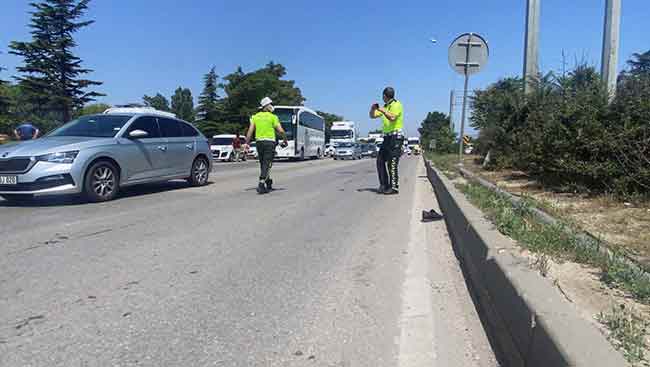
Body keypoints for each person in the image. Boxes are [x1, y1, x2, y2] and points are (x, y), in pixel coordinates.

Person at [245, 97, 288, 194]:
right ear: (266, 106)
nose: (271, 106)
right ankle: (261, 183)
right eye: (270, 104)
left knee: (263, 163)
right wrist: (285, 140)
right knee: (267, 163)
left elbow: (250, 131)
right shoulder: (273, 117)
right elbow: (281, 131)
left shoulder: (255, 117)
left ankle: (268, 181)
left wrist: (246, 143)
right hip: (270, 143)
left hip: (259, 142)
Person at [369, 87, 404, 195]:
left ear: (384, 96)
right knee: (380, 160)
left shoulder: (396, 104)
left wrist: (382, 110)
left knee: (391, 163)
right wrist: (373, 109)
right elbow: (372, 116)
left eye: (382, 96)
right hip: (387, 138)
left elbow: (392, 117)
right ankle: (384, 185)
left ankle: (394, 187)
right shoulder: (385, 106)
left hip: (395, 137)